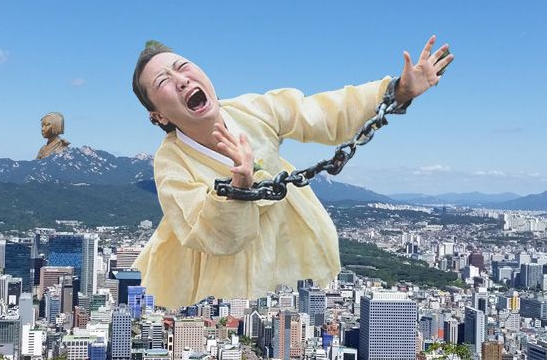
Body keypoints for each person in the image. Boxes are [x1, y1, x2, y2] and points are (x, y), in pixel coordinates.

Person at [131, 37, 453, 309]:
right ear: (158, 116)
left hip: (285, 242)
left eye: (183, 66)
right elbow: (212, 235)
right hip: (217, 268)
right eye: (163, 81)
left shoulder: (252, 110)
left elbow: (321, 112)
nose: (181, 79)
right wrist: (239, 185)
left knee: (294, 318)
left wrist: (398, 91)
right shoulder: (171, 161)